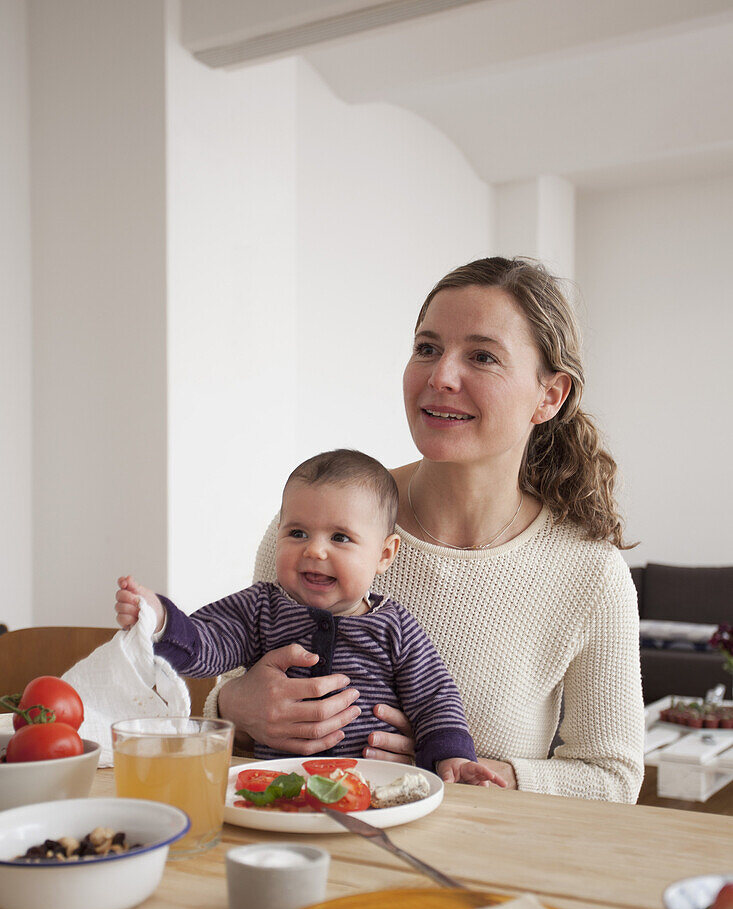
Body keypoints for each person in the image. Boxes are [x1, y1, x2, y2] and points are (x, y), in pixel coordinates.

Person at [208, 257, 645, 803]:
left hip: (473, 871)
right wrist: (234, 708)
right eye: (427, 348)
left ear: (549, 396)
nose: (440, 377)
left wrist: (476, 771)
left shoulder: (590, 574)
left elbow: (613, 777)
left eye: (482, 356)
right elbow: (236, 700)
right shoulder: (316, 529)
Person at [115, 449, 503, 787]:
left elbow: (435, 697)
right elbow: (206, 643)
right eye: (298, 533)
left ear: (384, 555)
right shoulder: (260, 608)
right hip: (276, 788)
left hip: (373, 791)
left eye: (340, 538)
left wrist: (451, 758)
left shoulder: (394, 626)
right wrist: (160, 617)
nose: (315, 550)